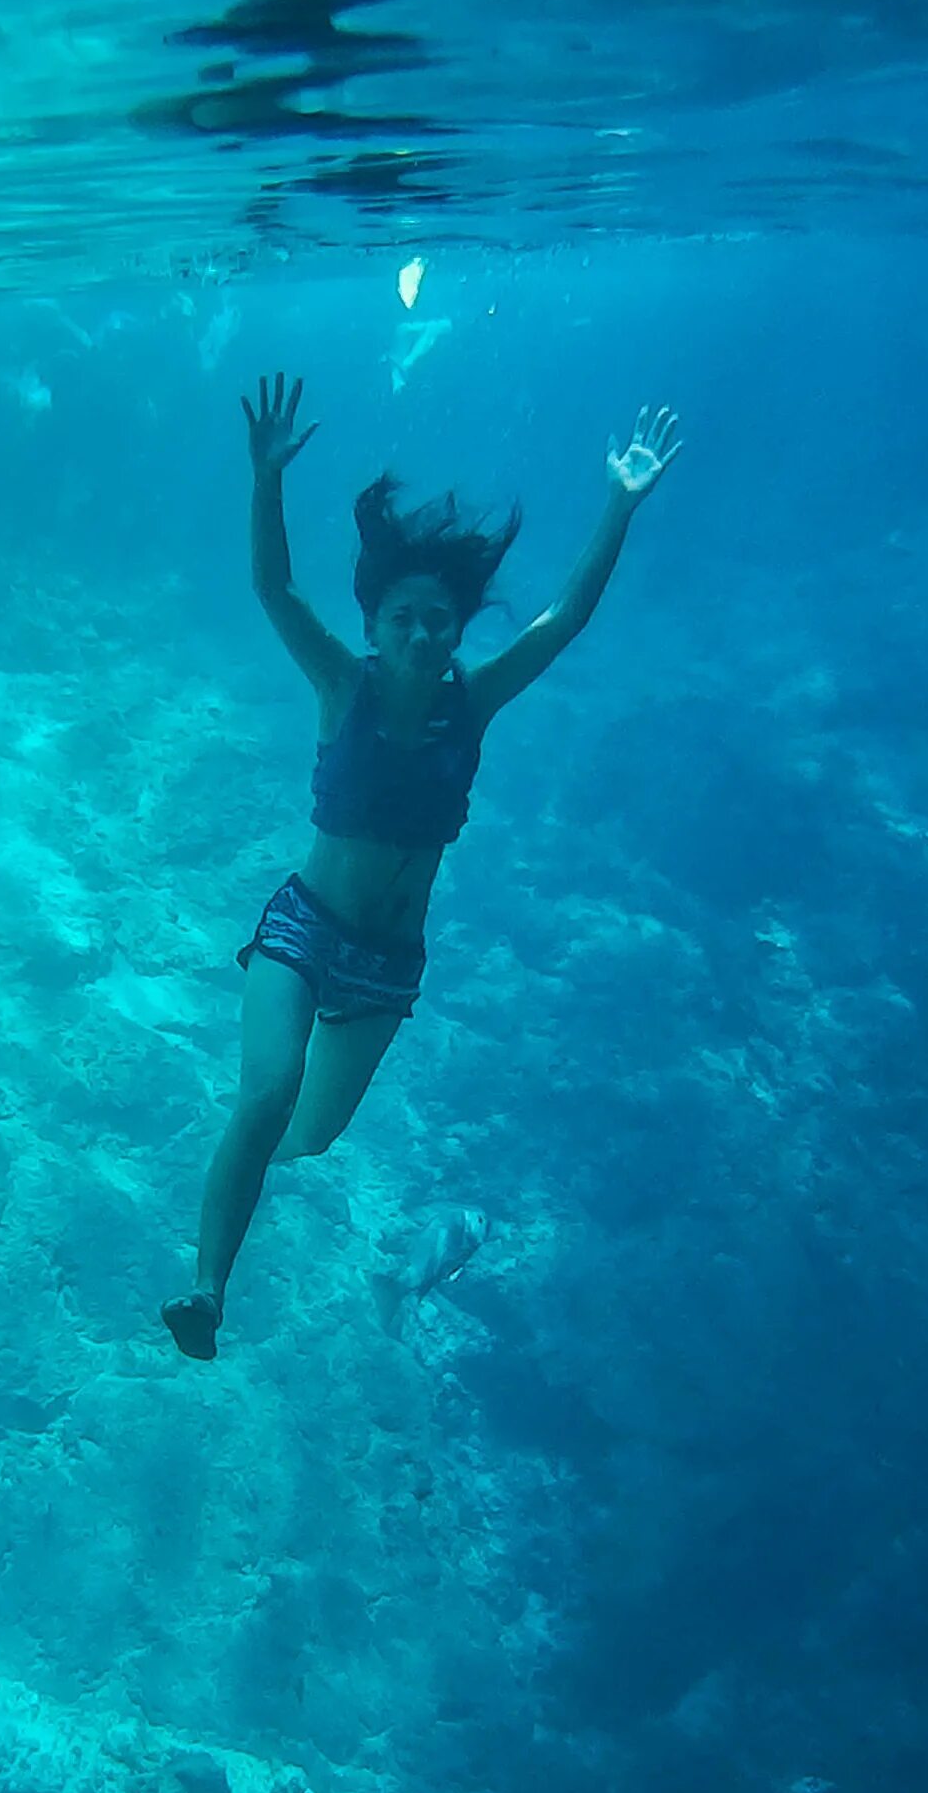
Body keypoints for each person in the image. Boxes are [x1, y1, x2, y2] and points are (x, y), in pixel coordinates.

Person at [161, 372, 681, 1359]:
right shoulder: (338, 684)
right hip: (304, 929)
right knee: (266, 1099)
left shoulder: (471, 704)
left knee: (311, 1139)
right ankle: (205, 1292)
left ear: (455, 628)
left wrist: (620, 501)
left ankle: (234, 1202)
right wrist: (265, 478)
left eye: (437, 618)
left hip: (388, 968)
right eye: (401, 616)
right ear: (373, 626)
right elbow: (273, 587)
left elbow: (562, 620)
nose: (419, 632)